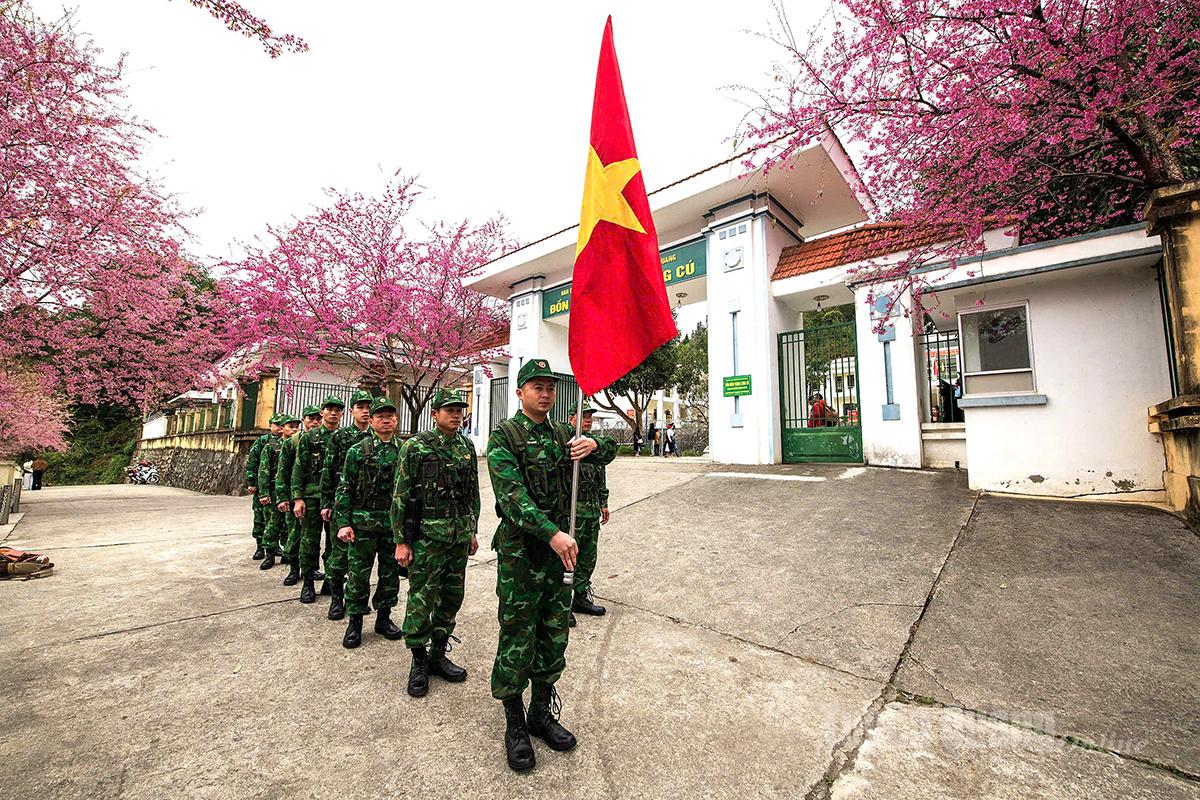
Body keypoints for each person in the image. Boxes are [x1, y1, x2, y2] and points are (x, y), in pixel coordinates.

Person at [487, 359, 617, 772]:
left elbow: (612, 450)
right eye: (536, 387)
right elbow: (513, 499)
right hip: (524, 555)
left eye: (550, 387)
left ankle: (541, 712)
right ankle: (515, 723)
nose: (545, 394)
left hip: (561, 555)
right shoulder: (504, 436)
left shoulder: (564, 433)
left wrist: (594, 446)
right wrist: (552, 532)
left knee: (553, 632)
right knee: (518, 635)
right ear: (521, 392)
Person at [392, 389, 480, 696]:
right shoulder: (415, 447)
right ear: (434, 414)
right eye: (449, 409)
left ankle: (439, 654)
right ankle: (419, 658)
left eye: (459, 410)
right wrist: (402, 541)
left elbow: (473, 494)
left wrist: (472, 530)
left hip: (457, 538)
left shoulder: (467, 446)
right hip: (428, 539)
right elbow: (401, 496)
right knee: (422, 597)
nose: (456, 414)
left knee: (451, 597)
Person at [334, 397, 404, 649]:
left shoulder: (404, 450)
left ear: (396, 420)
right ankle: (355, 622)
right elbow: (345, 488)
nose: (386, 420)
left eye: (390, 416)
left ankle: (384, 619)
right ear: (372, 421)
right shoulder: (358, 450)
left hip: (391, 526)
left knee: (390, 574)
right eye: (380, 416)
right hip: (362, 525)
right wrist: (343, 522)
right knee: (358, 575)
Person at [319, 389, 375, 614]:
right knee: (339, 554)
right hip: (342, 504)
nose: (364, 412)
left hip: (367, 509)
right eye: (360, 407)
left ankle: (357, 599)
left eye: (368, 408)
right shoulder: (340, 437)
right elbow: (328, 470)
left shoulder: (376, 437)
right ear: (351, 411)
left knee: (361, 559)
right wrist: (327, 502)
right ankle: (336, 597)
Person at [292, 394, 345, 606]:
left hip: (334, 499)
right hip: (312, 497)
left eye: (338, 409)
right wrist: (297, 498)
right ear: (322, 412)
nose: (333, 413)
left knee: (335, 545)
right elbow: (299, 468)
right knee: (309, 541)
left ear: (342, 413)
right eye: (329, 409)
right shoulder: (310, 437)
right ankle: (307, 582)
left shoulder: (343, 438)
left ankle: (331, 581)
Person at [567, 400, 610, 628]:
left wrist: (603, 502)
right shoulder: (567, 443)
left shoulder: (593, 446)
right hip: (571, 514)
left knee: (588, 557)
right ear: (572, 418)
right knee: (567, 561)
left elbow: (601, 475)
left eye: (590, 418)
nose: (587, 421)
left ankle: (581, 597)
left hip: (591, 510)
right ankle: (562, 605)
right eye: (583, 416)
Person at [277, 405, 322, 586]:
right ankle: (294, 569)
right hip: (296, 496)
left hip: (316, 496)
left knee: (312, 537)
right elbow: (283, 472)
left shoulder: (325, 441)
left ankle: (311, 568)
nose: (315, 423)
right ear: (303, 420)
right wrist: (283, 497)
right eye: (311, 419)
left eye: (318, 419)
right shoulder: (292, 442)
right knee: (295, 534)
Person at [256, 413, 301, 570]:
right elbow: (264, 470)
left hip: (292, 491)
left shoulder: (299, 445)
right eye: (291, 427)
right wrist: (264, 493)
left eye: (297, 427)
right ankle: (269, 554)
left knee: (290, 526)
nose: (294, 430)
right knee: (272, 524)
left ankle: (288, 554)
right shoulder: (271, 446)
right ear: (282, 429)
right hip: (275, 490)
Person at [245, 419, 281, 560]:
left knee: (276, 520)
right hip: (262, 486)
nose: (279, 428)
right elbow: (252, 462)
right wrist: (252, 482)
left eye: (281, 425)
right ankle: (260, 547)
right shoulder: (263, 441)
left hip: (277, 487)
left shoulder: (287, 441)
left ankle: (275, 546)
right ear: (270, 425)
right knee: (260, 519)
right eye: (276, 425)